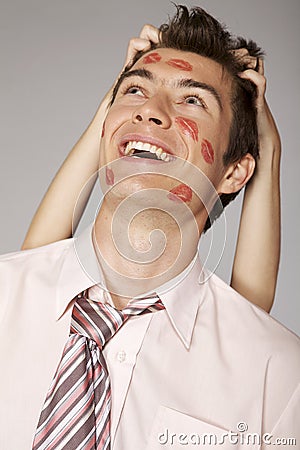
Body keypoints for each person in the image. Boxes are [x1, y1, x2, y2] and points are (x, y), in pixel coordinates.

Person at [0, 5, 298, 450]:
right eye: (136, 91)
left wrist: (268, 152)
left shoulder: (278, 376)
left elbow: (247, 333)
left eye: (193, 99)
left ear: (236, 172)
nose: (150, 112)